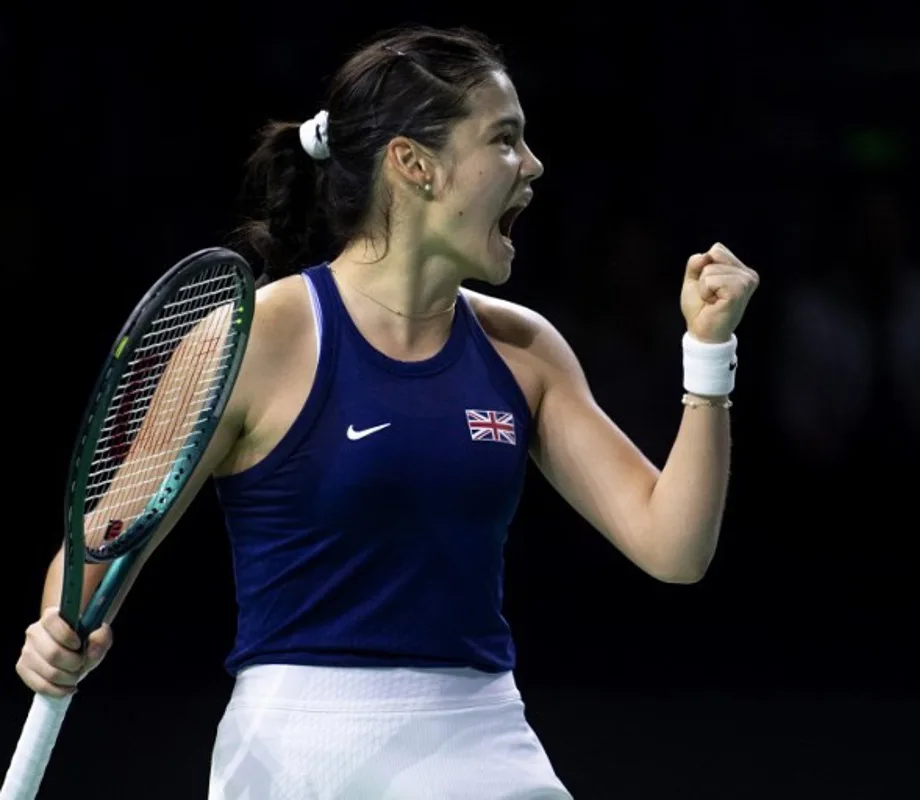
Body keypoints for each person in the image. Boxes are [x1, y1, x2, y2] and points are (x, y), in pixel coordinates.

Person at [14, 25, 759, 799]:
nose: (533, 166)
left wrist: (707, 357)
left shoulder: (523, 350)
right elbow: (98, 550)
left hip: (482, 735)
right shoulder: (253, 338)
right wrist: (53, 634)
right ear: (414, 165)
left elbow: (674, 547)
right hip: (295, 743)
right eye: (505, 140)